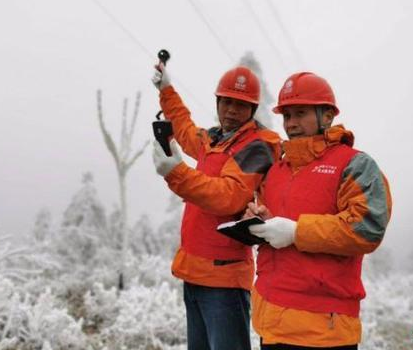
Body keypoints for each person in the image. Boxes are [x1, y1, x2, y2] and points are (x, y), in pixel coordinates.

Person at [245, 72, 392, 350]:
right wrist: (262, 220)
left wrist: (297, 232)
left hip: (324, 330)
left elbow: (367, 228)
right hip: (271, 321)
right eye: (287, 116)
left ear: (327, 116)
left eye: (300, 113)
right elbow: (275, 220)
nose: (291, 124)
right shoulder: (277, 170)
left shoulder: (356, 165)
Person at [151, 63, 281, 350]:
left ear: (253, 109)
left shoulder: (258, 146)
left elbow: (229, 196)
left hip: (225, 280)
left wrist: (177, 172)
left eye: (241, 104)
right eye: (227, 102)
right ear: (218, 103)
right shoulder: (213, 140)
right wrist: (166, 90)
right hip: (194, 272)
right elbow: (184, 129)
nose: (232, 110)